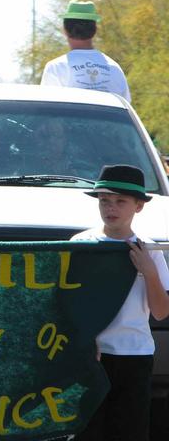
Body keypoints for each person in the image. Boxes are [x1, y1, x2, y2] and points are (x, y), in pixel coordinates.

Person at [72, 165, 169, 441]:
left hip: (134, 356)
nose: (110, 208)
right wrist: (84, 342)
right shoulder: (81, 244)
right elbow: (69, 303)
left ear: (138, 206)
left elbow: (161, 312)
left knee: (130, 430)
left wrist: (148, 272)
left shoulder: (149, 249)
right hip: (92, 355)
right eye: (105, 200)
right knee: (88, 430)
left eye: (120, 201)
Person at [41, 0, 131, 102]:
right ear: (95, 30)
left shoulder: (56, 68)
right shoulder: (115, 68)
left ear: (65, 30)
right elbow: (126, 106)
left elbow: (50, 109)